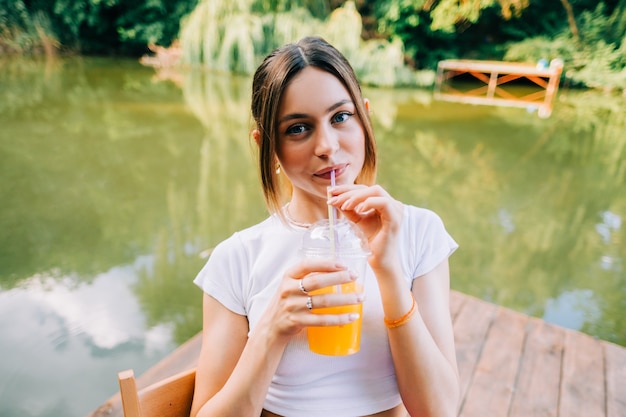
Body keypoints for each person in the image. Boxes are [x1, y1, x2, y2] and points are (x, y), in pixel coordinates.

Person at [190, 36, 460, 417]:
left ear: (364, 118)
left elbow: (440, 410)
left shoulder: (418, 232)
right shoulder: (235, 258)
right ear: (267, 146)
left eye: (340, 117)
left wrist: (389, 273)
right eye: (298, 128)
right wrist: (271, 330)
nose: (328, 146)